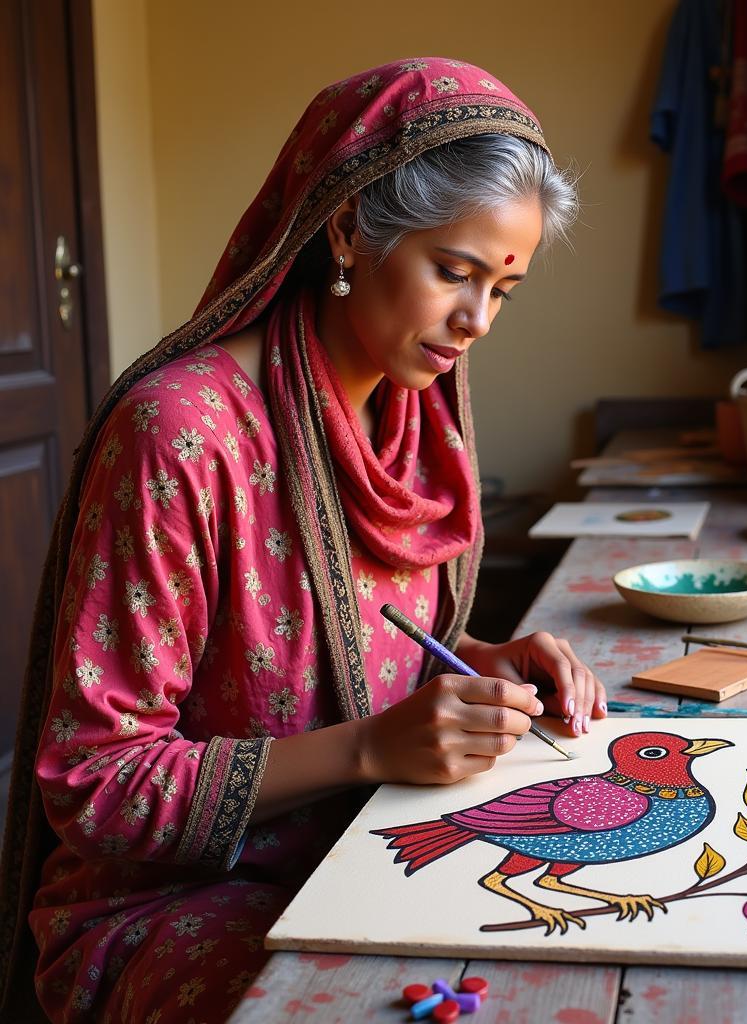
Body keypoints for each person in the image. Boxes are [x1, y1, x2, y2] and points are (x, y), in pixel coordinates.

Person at [0, 57, 607, 1023]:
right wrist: (371, 747)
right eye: (453, 272)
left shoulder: (416, 420)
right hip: (176, 897)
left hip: (373, 845)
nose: (475, 320)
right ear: (348, 228)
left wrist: (488, 666)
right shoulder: (181, 436)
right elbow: (96, 781)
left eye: (504, 289)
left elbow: (365, 651)